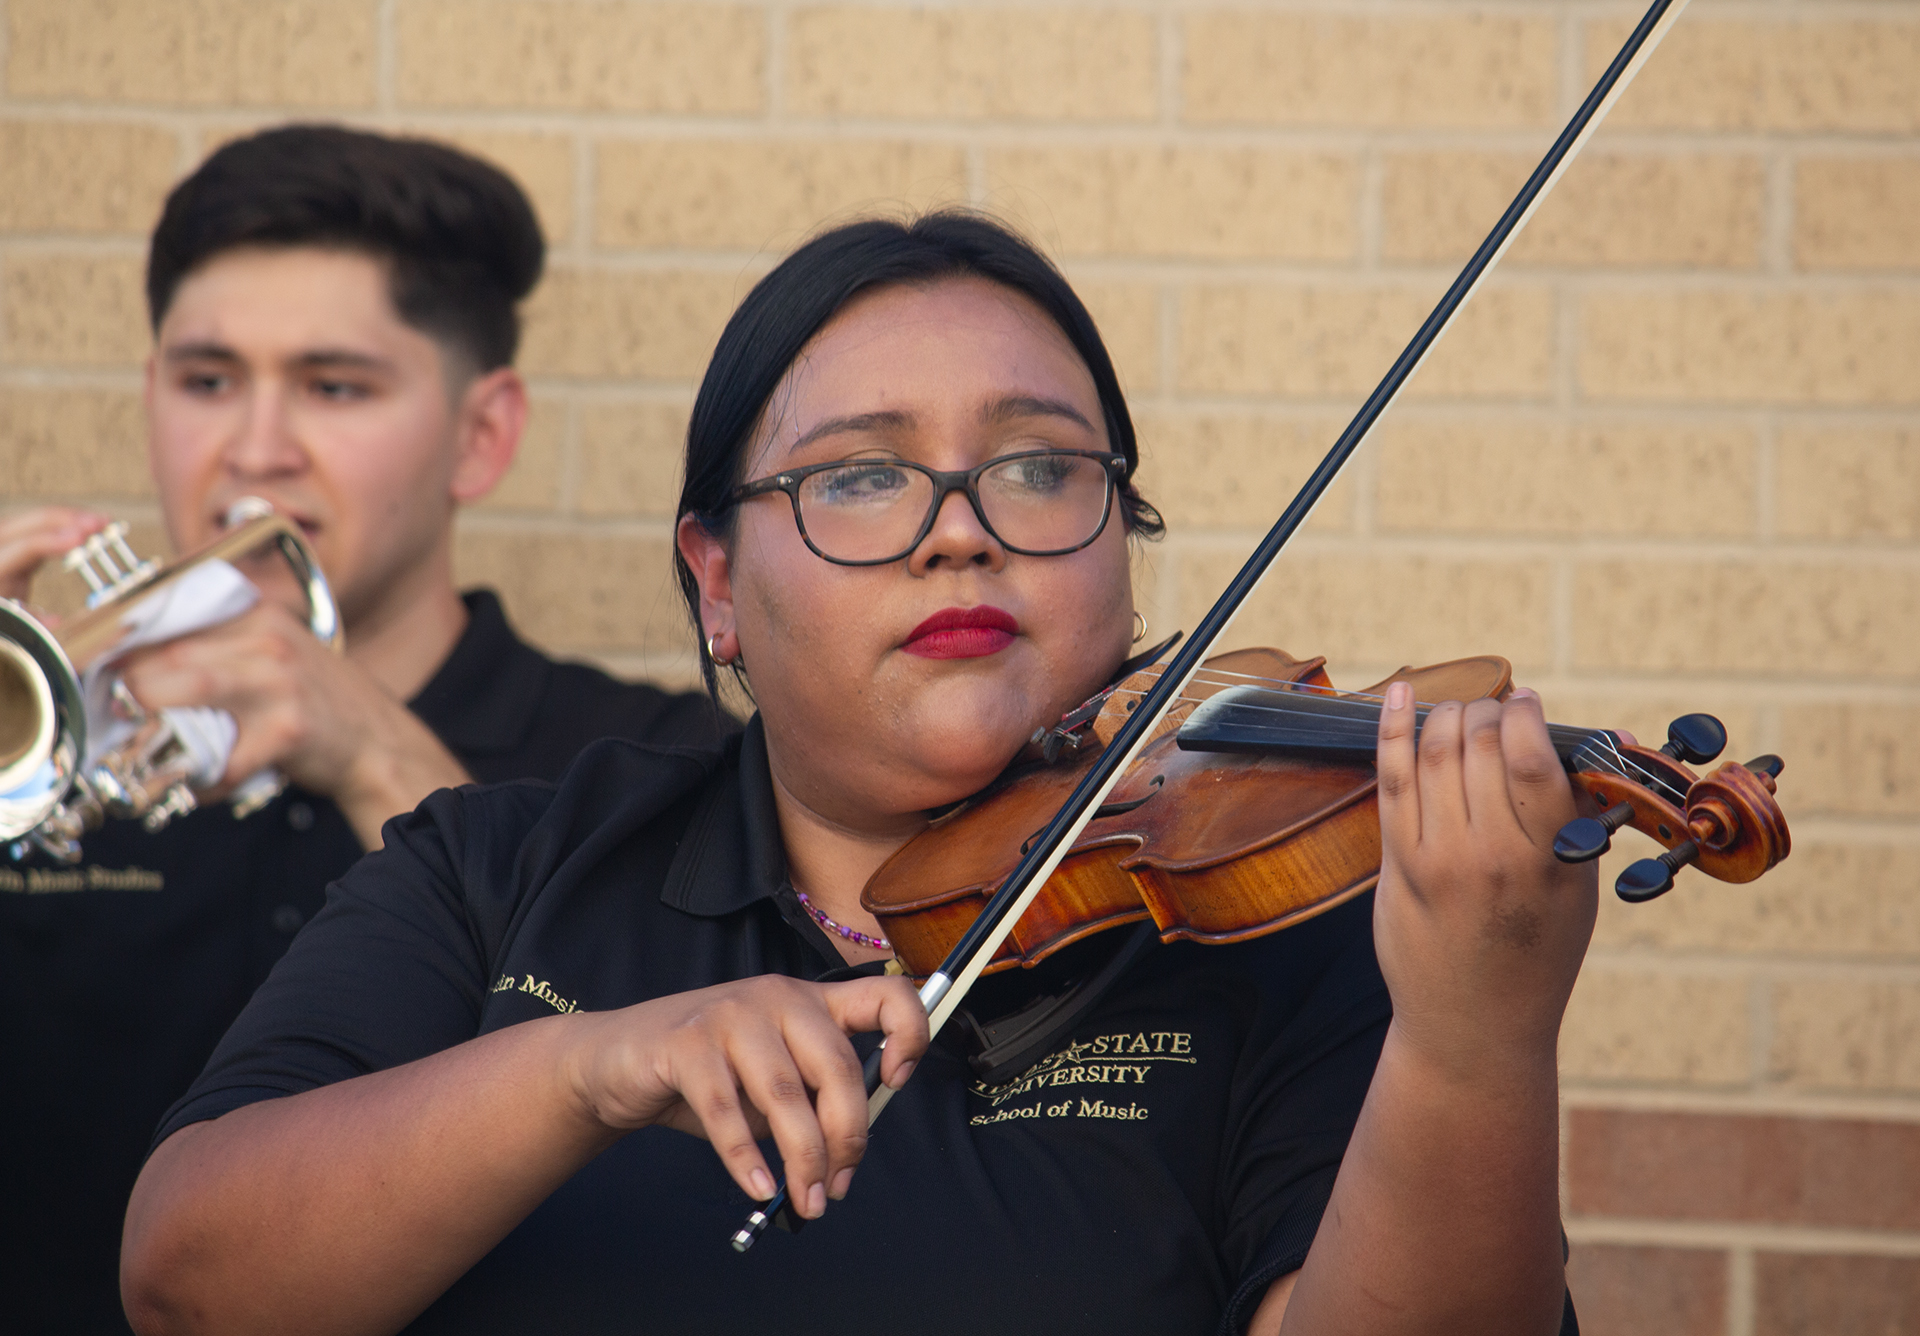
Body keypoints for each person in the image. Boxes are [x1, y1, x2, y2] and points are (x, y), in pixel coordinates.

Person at [121, 212, 1592, 1336]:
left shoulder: (1273, 935)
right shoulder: (499, 868)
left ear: (1124, 550)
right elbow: (191, 1284)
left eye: (1037, 467)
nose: (964, 530)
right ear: (716, 581)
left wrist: (1475, 1043)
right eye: (862, 476)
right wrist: (586, 1068)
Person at [0, 126, 729, 1333]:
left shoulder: (651, 760)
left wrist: (376, 758)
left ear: (482, 434)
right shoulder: (45, 739)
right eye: (206, 379)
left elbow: (664, 1121)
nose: (254, 448)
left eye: (335, 386)